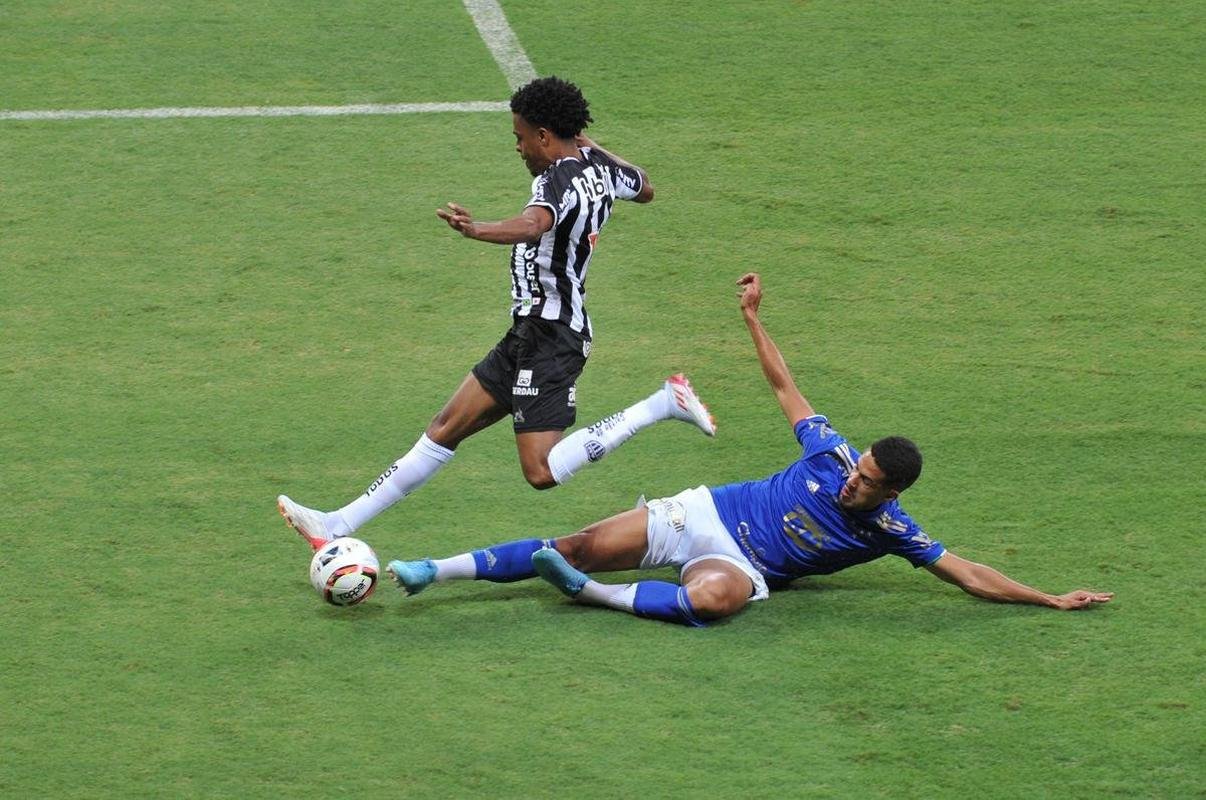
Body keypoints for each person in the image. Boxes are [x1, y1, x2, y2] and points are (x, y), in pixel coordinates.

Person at [381, 273, 1114, 626]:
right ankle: (432, 572)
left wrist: (1048, 598)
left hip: (739, 564)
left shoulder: (888, 529)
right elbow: (786, 387)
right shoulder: (829, 455)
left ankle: (590, 595)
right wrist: (754, 317)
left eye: (867, 483)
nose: (852, 482)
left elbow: (969, 574)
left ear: (892, 494)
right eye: (858, 470)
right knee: (573, 541)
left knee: (718, 600)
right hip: (702, 511)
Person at [278, 76, 715, 549]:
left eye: (520, 136)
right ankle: (336, 524)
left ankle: (661, 404)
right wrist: (587, 143)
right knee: (444, 428)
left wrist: (476, 229)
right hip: (529, 331)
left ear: (544, 136)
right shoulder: (598, 167)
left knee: (541, 470)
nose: (518, 147)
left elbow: (534, 224)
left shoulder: (557, 180)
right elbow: (645, 187)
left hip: (553, 338)